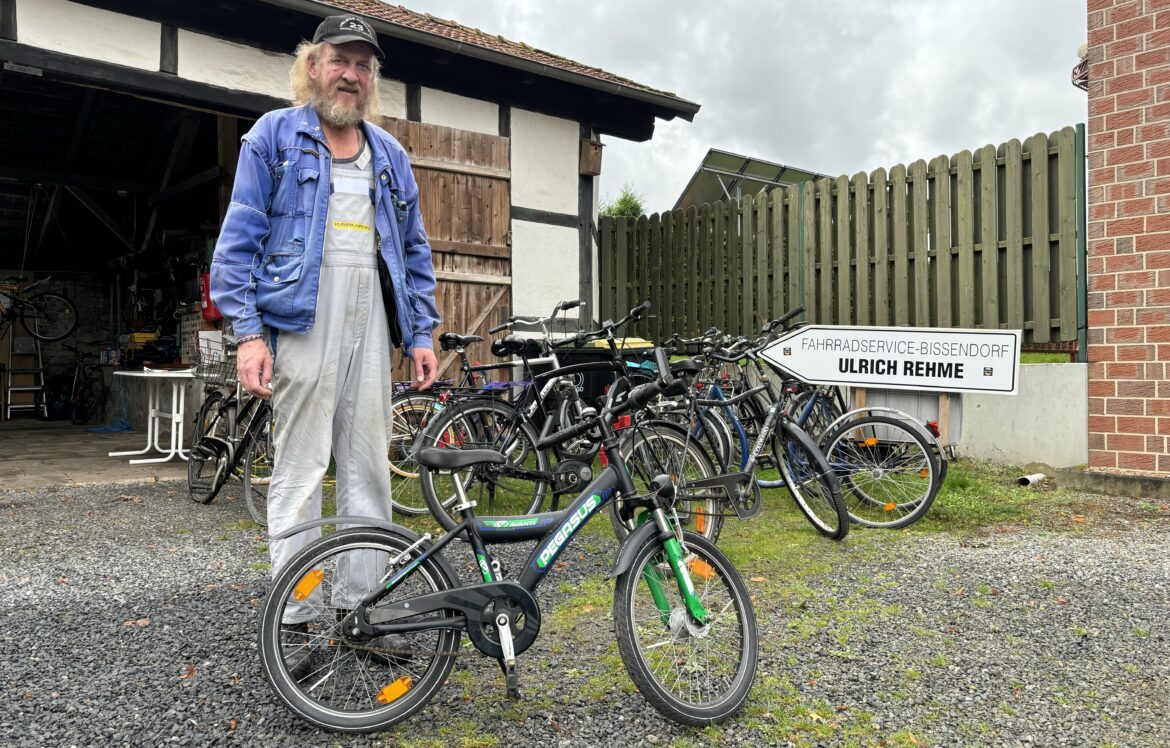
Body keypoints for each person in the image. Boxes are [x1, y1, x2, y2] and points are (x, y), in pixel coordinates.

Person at [210, 14, 440, 616]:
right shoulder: (273, 137)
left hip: (371, 313)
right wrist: (249, 335)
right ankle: (300, 615)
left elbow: (413, 251)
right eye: (340, 60)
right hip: (301, 314)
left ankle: (360, 607)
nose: (351, 75)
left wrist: (420, 333)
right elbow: (238, 243)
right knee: (302, 465)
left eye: (363, 65)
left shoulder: (389, 155)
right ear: (313, 66)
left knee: (368, 466)